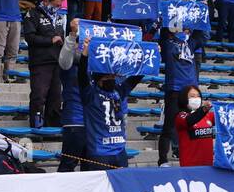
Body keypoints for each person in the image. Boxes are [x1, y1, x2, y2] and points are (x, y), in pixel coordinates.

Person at [77, 37, 142, 170]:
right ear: (98, 80)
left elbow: (136, 77)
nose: (111, 79)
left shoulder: (119, 91)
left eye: (113, 77)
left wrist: (146, 57)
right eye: (107, 77)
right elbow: (82, 76)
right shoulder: (90, 94)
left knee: (122, 188)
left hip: (119, 150)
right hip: (99, 152)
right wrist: (85, 54)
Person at [157, 23, 203, 166]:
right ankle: (163, 160)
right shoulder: (168, 43)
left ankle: (188, 156)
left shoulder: (191, 43)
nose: (184, 31)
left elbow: (201, 33)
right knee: (169, 126)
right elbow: (164, 31)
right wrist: (169, 19)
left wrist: (202, 8)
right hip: (175, 90)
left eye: (186, 29)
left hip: (191, 92)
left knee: (191, 126)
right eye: (181, 29)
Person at [22, 0, 68, 130]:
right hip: (40, 62)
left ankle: (52, 128)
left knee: (56, 97)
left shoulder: (60, 18)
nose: (57, 8)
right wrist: (50, 40)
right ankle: (36, 127)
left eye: (59, 6)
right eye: (55, 5)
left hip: (57, 61)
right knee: (39, 95)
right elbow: (29, 37)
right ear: (46, 1)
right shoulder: (33, 14)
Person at [56, 22, 88, 172]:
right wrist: (72, 35)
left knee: (90, 166)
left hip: (93, 122)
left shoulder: (93, 66)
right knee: (68, 164)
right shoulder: (68, 66)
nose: (80, 46)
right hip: (74, 121)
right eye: (79, 44)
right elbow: (64, 58)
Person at [173, 85, 215, 167]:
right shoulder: (180, 116)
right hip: (190, 165)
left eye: (198, 96)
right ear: (184, 98)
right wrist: (203, 110)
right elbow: (190, 120)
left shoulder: (208, 116)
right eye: (192, 96)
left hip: (208, 164)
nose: (196, 98)